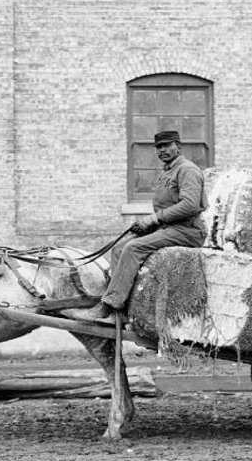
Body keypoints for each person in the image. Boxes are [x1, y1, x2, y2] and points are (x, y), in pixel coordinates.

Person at [71, 130, 207, 323]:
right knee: (119, 249)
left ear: (178, 146)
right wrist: (147, 224)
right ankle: (122, 307)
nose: (162, 150)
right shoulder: (167, 172)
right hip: (169, 228)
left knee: (134, 248)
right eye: (159, 147)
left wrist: (154, 219)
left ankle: (111, 304)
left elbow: (190, 205)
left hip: (188, 231)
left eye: (167, 145)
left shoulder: (187, 170)